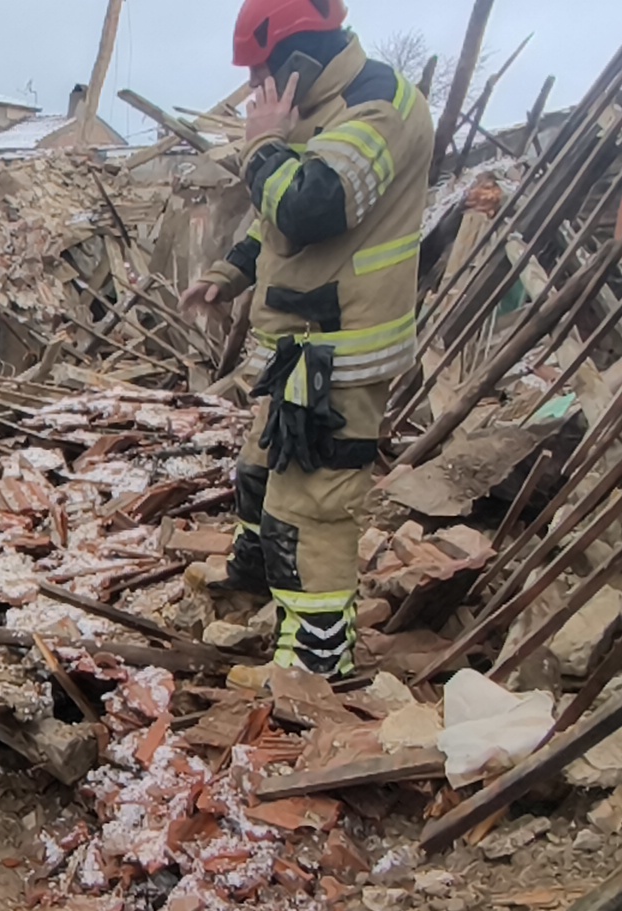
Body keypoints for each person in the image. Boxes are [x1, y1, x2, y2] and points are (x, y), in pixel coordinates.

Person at [181, 0, 434, 679]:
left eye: (261, 69)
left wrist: (262, 144)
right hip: (298, 343)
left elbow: (310, 203)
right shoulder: (316, 111)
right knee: (259, 468)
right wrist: (228, 275)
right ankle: (256, 584)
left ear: (299, 58)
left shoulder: (379, 105)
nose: (257, 85)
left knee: (311, 504)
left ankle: (313, 661)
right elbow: (275, 219)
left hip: (344, 347)